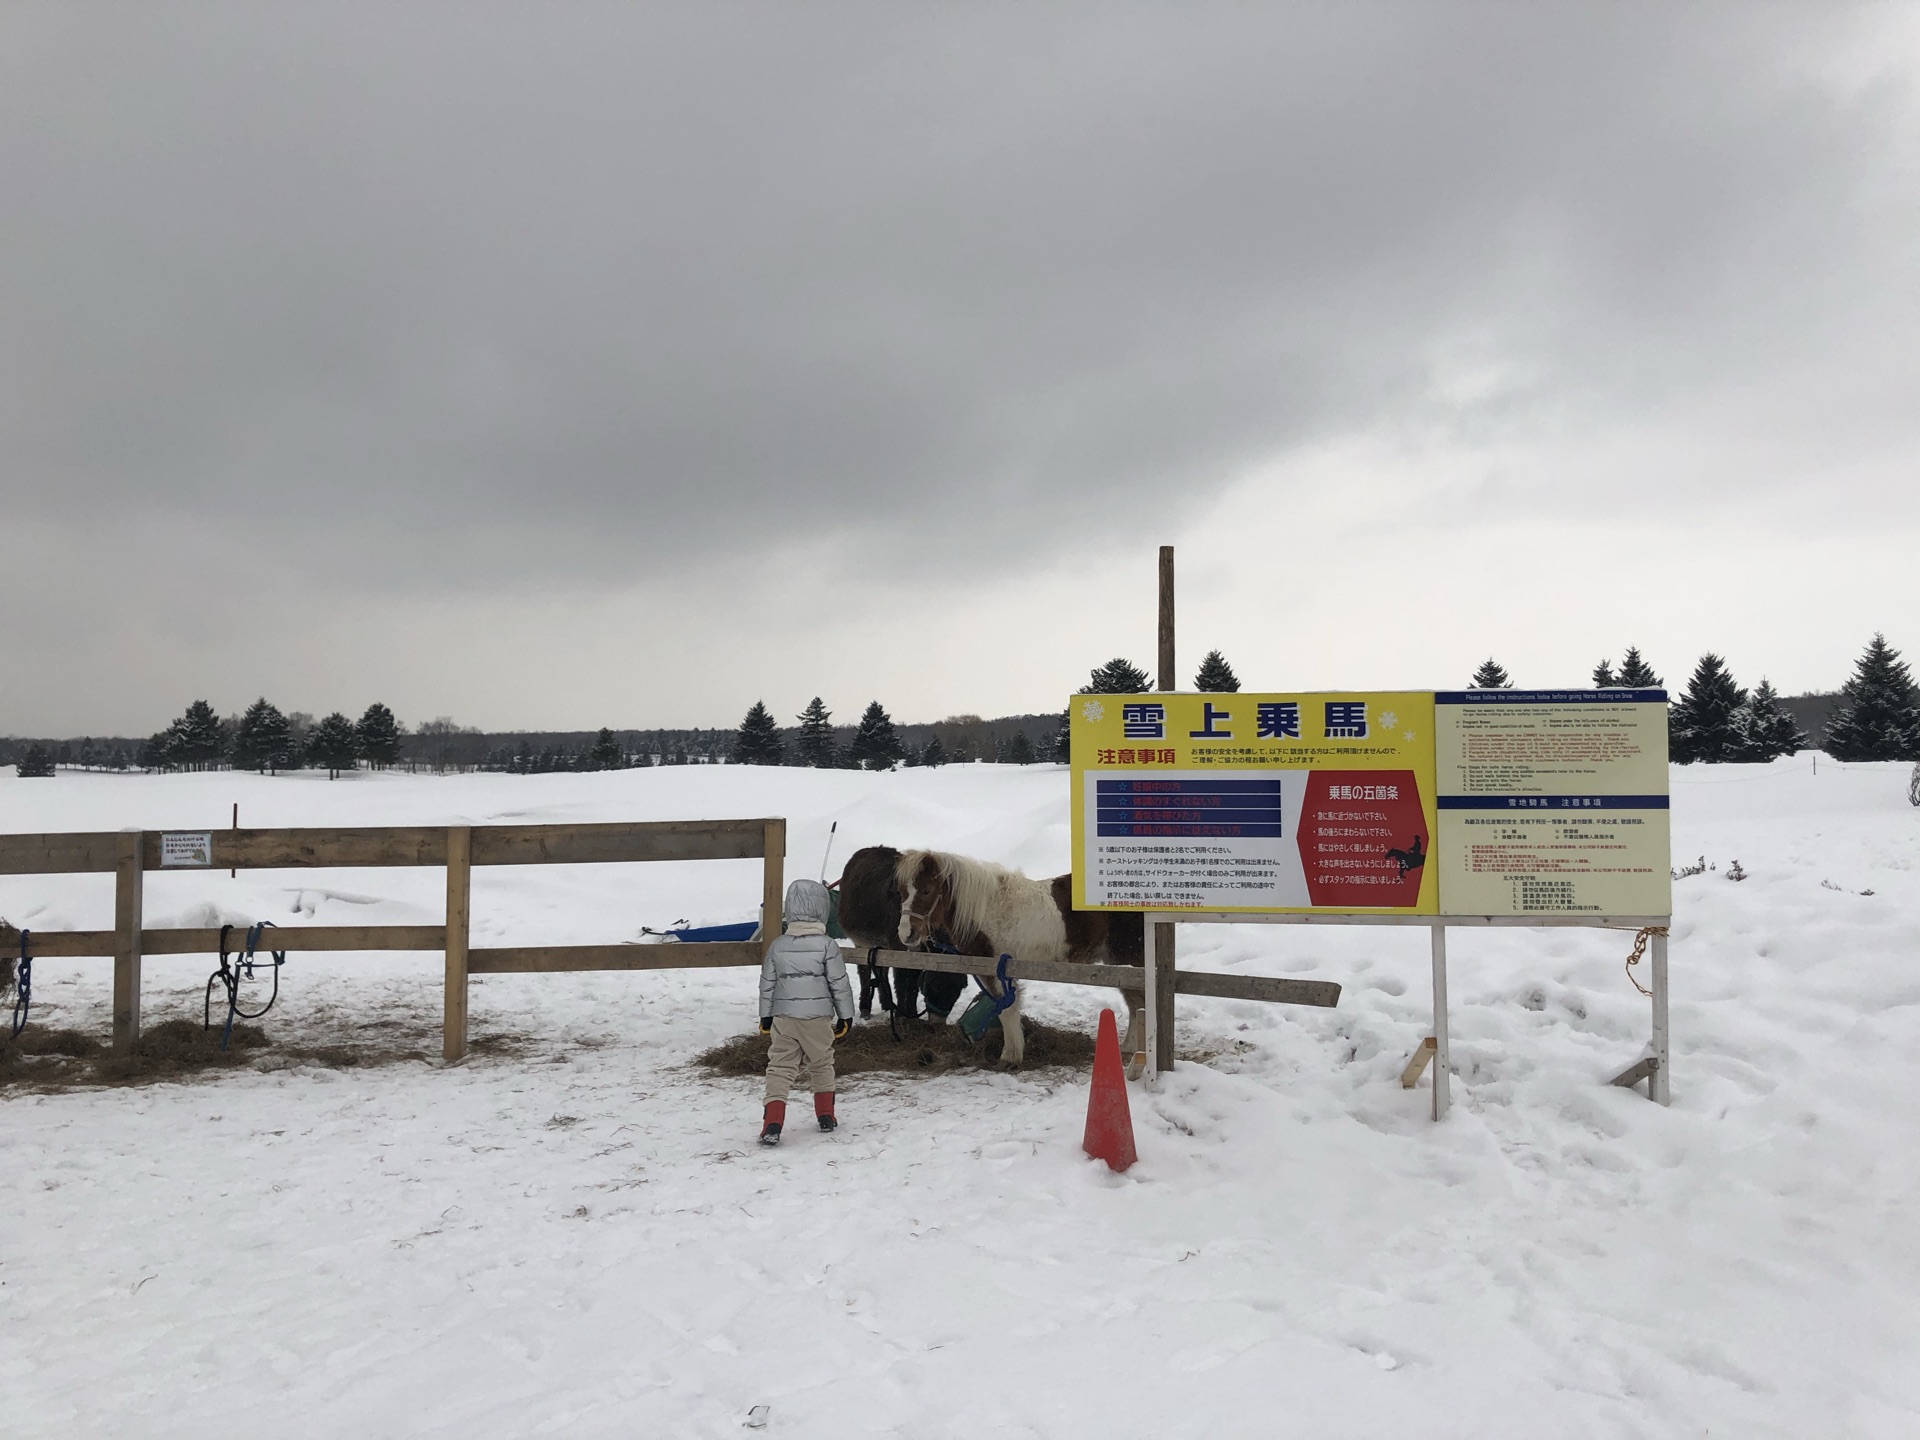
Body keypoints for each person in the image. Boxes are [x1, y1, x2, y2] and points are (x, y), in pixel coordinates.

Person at [758, 878, 855, 1146]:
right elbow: (840, 983)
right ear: (823, 909)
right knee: (822, 1063)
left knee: (779, 1068)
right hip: (817, 1018)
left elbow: (767, 984)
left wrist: (766, 1016)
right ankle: (826, 1116)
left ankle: (772, 1123)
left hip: (784, 1017)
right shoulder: (827, 946)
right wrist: (846, 1015)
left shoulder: (778, 945)